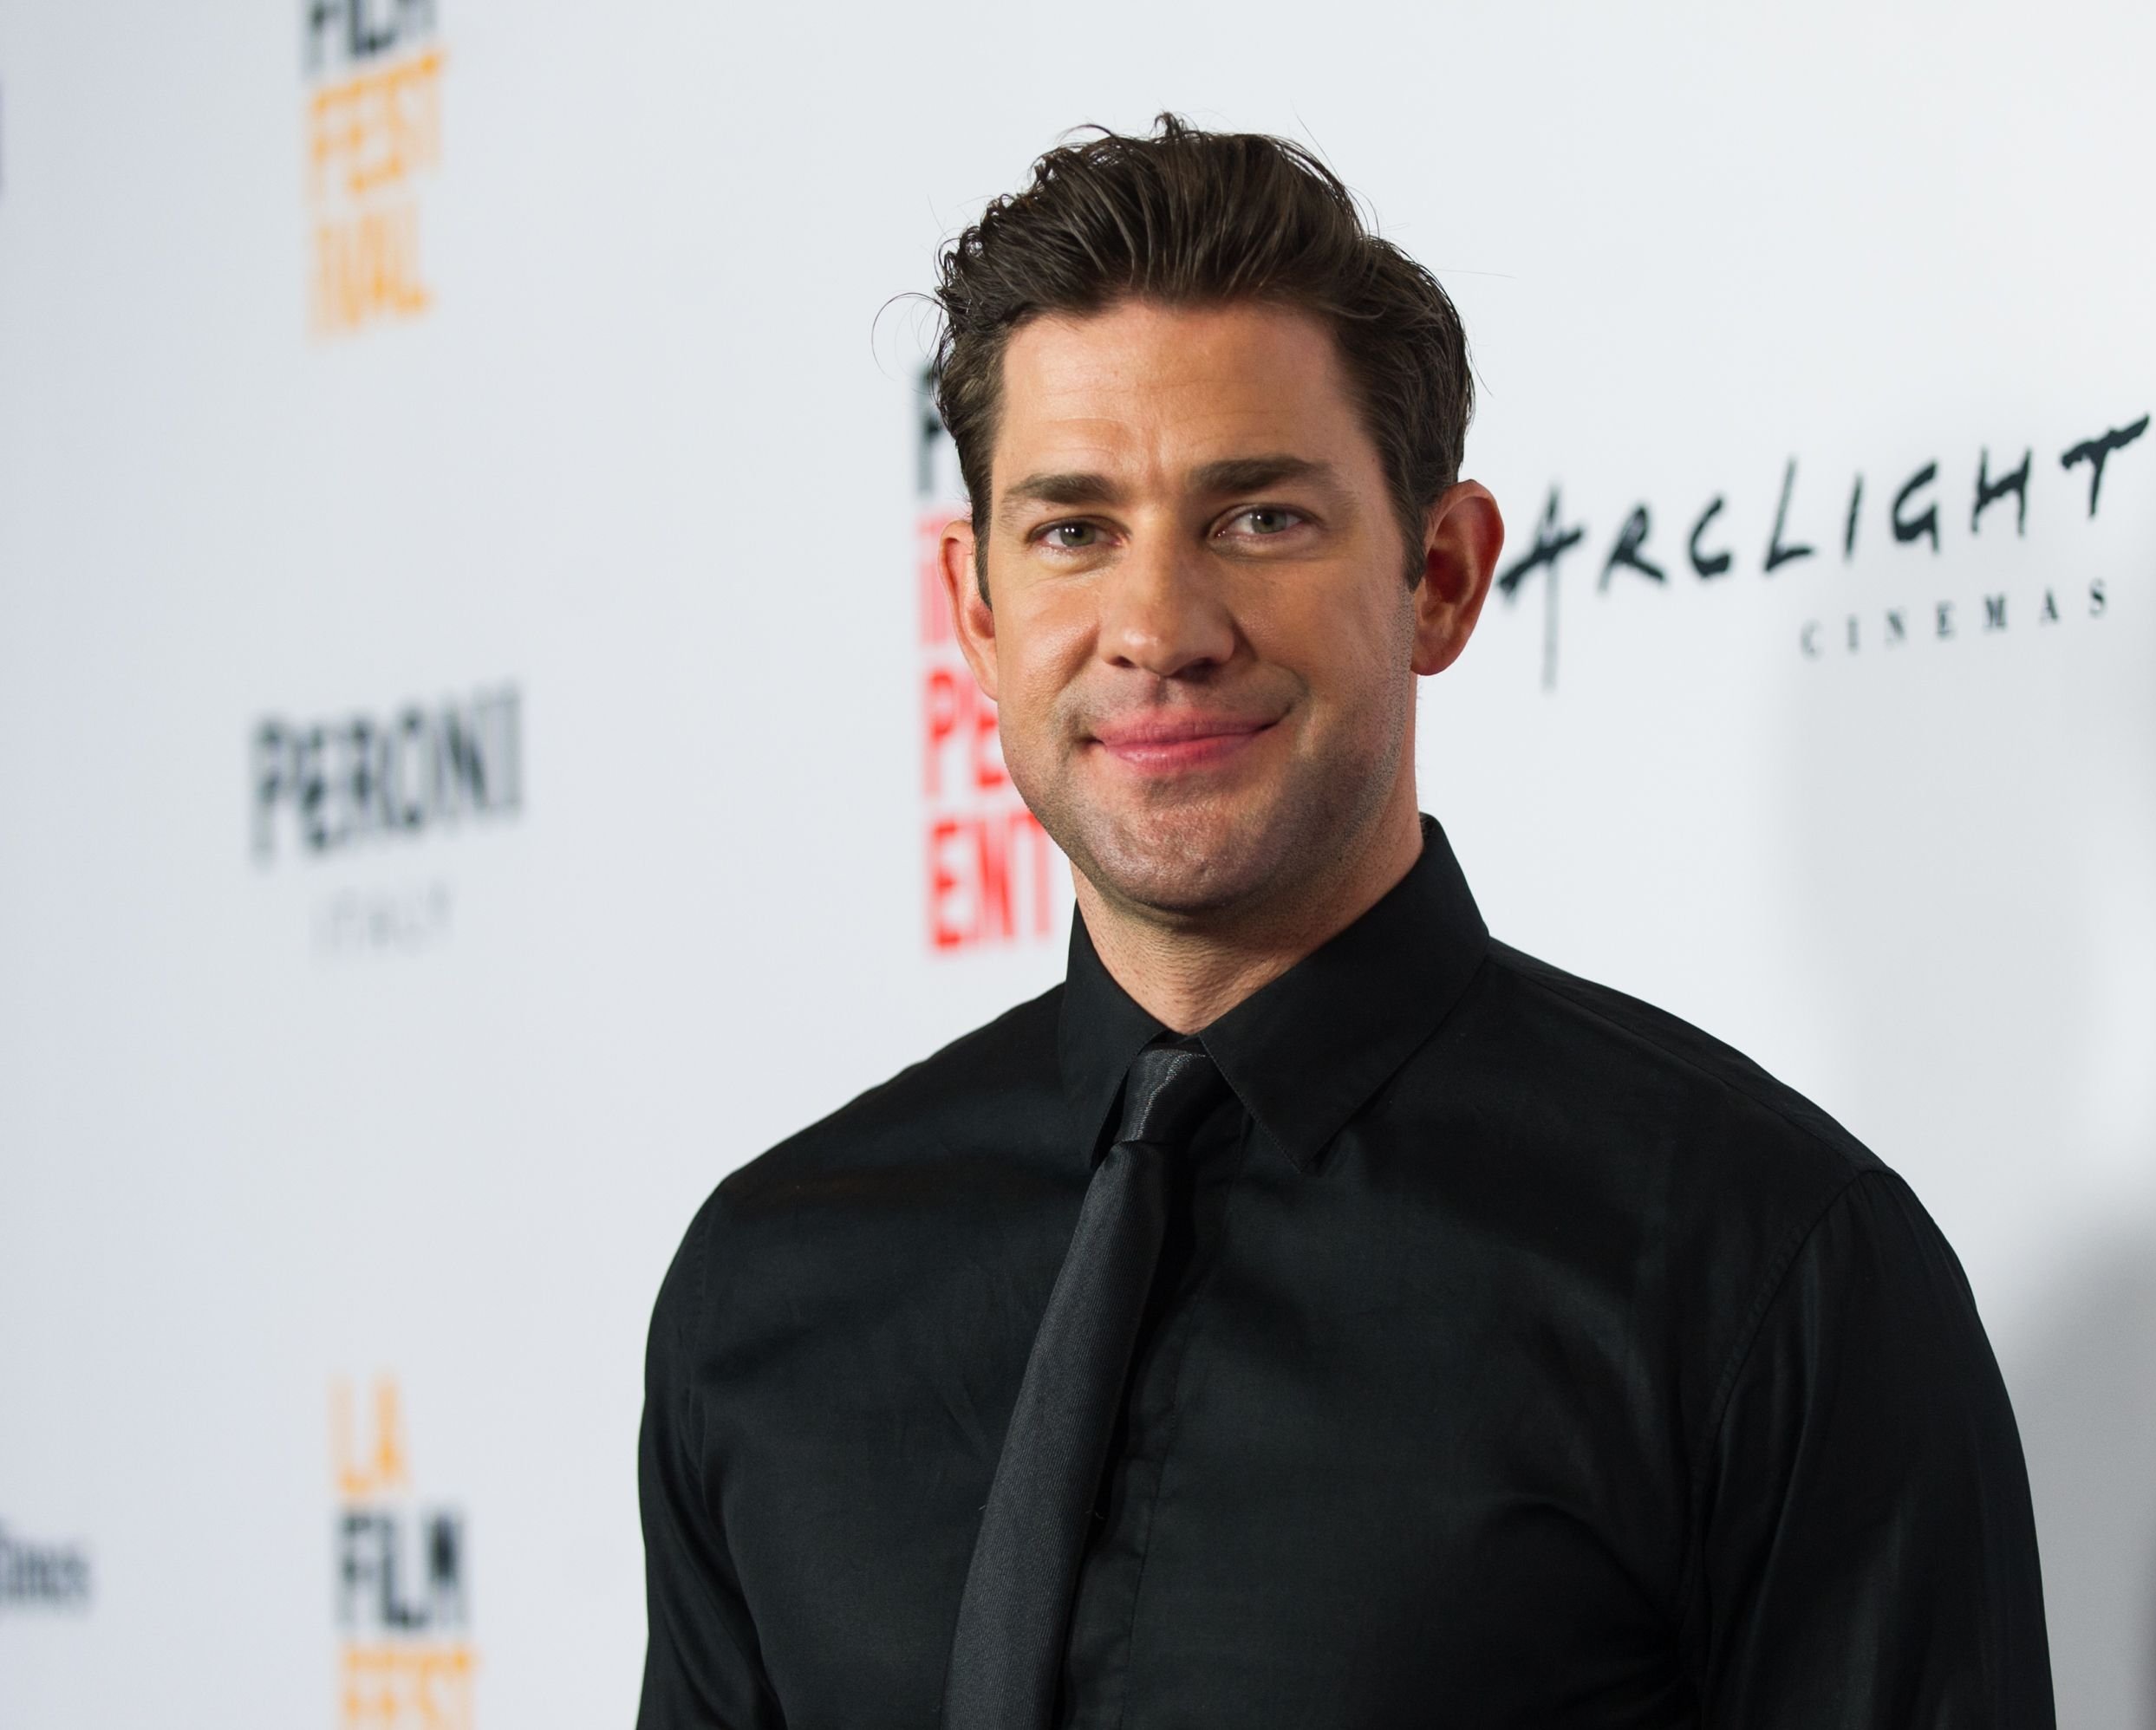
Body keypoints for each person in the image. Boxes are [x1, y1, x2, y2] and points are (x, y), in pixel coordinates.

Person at [636, 115, 2055, 1730]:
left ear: (1440, 575)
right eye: (1074, 530)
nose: (1160, 630)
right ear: (975, 606)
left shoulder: (1763, 1271)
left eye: (1260, 518)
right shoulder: (771, 1282)